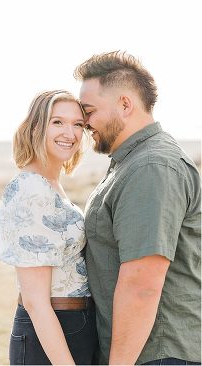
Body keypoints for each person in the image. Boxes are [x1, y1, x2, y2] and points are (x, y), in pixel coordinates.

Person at [75, 51, 201, 365]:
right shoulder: (130, 162)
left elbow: (142, 285)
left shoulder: (151, 167)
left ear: (125, 104)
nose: (83, 122)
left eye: (88, 111)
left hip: (158, 355)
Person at [0, 90, 98, 364]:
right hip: (53, 329)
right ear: (36, 127)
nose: (71, 133)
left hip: (72, 324)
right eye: (58, 122)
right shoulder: (32, 190)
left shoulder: (51, 184)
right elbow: (36, 302)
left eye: (78, 124)